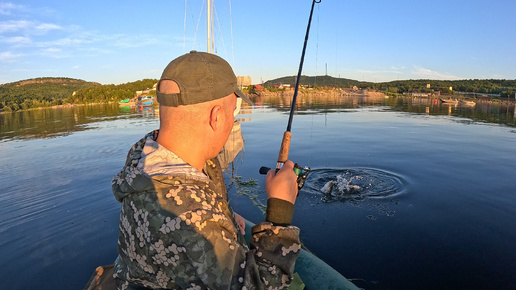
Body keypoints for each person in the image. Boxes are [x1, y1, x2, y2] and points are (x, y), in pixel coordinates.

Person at [112, 51, 301, 289]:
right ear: (217, 117)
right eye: (234, 113)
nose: (234, 121)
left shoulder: (148, 157)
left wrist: (225, 218)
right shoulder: (189, 216)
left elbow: (195, 201)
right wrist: (281, 209)